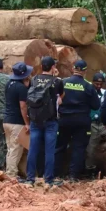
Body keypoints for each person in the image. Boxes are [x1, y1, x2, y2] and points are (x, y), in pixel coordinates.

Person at [56, 59, 101, 182]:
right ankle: (73, 176)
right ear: (85, 71)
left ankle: (56, 174)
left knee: (60, 147)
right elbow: (96, 106)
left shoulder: (63, 82)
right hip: (81, 121)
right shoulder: (88, 86)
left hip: (64, 120)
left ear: (73, 69)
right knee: (79, 148)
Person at [25, 56, 63, 187]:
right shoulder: (57, 81)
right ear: (53, 67)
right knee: (49, 151)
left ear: (41, 67)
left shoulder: (34, 79)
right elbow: (61, 96)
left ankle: (30, 179)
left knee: (33, 149)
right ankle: (48, 180)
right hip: (51, 120)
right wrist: (56, 76)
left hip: (35, 120)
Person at [3, 61, 33, 179]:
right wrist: (27, 123)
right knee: (15, 149)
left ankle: (10, 171)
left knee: (10, 148)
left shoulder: (9, 84)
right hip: (17, 122)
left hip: (7, 120)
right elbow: (23, 106)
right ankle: (11, 175)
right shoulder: (21, 88)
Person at [85, 72, 106, 175]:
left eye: (100, 84)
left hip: (103, 123)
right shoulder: (88, 91)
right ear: (92, 82)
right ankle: (90, 170)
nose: (98, 86)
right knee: (91, 148)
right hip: (92, 123)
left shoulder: (105, 93)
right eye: (96, 83)